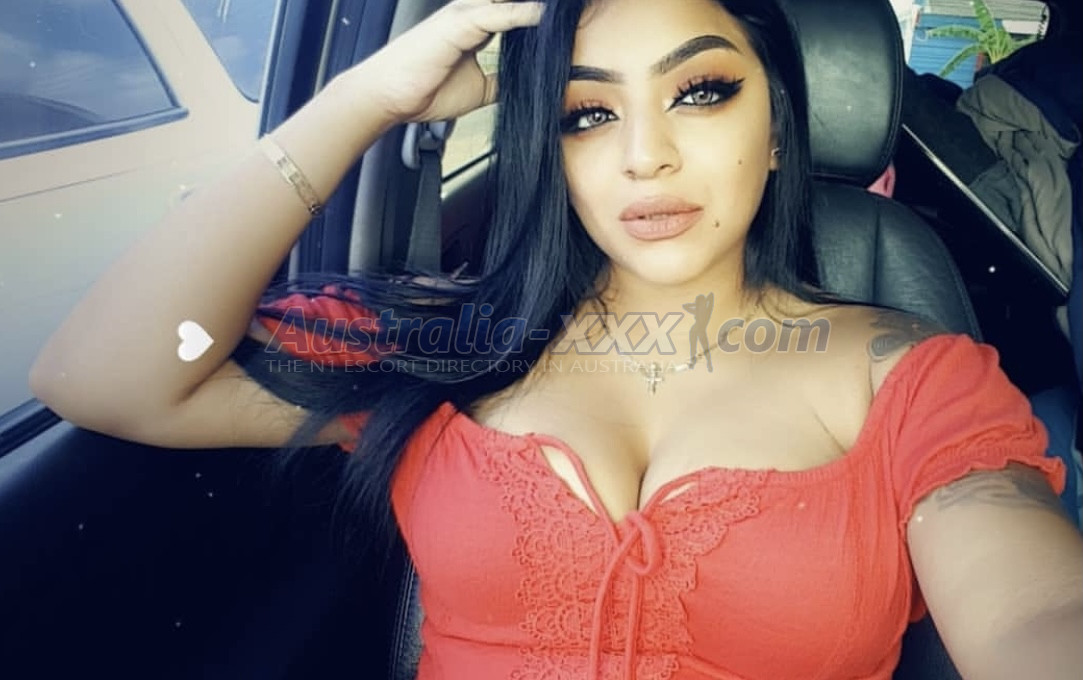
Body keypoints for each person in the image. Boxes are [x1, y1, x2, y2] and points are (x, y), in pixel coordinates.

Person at [28, 0, 1082, 678]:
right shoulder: (446, 345)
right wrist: (363, 101)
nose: (644, 156)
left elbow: (1035, 615)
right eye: (587, 113)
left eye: (701, 92)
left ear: (776, 129)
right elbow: (102, 375)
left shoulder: (914, 378)